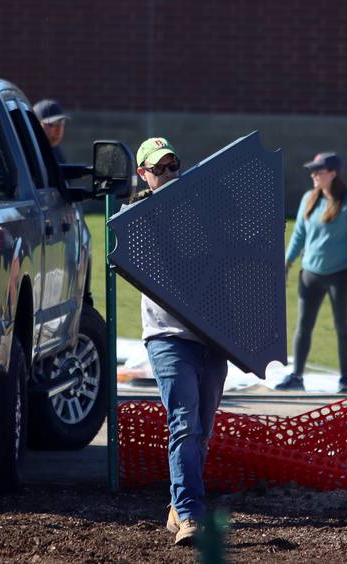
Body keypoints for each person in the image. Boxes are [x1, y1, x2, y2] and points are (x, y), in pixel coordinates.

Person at [134, 137, 227, 546]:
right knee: (184, 424)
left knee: (202, 430)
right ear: (144, 175)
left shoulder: (201, 214)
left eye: (174, 167)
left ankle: (178, 505)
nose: (170, 175)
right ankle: (191, 514)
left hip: (212, 338)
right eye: (160, 169)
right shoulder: (137, 218)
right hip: (168, 337)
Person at [279, 152, 347, 394]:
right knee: (303, 326)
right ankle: (296, 376)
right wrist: (287, 262)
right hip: (311, 273)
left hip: (341, 275)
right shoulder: (309, 199)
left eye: (319, 171)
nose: (314, 175)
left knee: (342, 325)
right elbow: (299, 234)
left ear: (333, 173)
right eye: (313, 171)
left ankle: (344, 379)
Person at [33, 99, 69, 163]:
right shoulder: (30, 152)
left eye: (62, 123)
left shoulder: (56, 151)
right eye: (53, 123)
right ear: (36, 125)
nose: (59, 129)